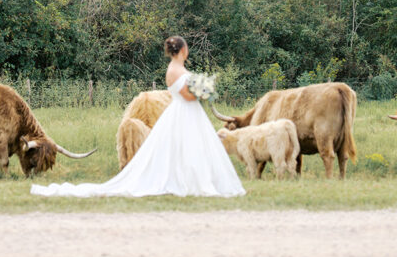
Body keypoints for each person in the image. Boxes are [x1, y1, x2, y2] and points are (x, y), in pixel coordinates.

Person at [30, 36, 245, 197]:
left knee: (191, 146)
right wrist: (202, 92)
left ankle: (192, 179)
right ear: (182, 50)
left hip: (187, 113)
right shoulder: (174, 70)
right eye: (186, 48)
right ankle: (186, 181)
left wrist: (201, 90)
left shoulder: (178, 68)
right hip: (183, 111)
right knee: (183, 146)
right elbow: (186, 96)